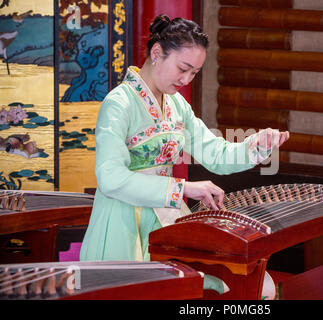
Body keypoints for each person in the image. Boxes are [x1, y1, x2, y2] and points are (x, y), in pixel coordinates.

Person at [80, 15, 289, 264]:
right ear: (157, 52)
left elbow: (215, 153)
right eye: (182, 68)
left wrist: (255, 146)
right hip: (122, 221)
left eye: (194, 73)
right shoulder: (119, 103)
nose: (186, 80)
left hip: (164, 215)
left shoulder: (177, 104)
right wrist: (183, 189)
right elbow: (110, 178)